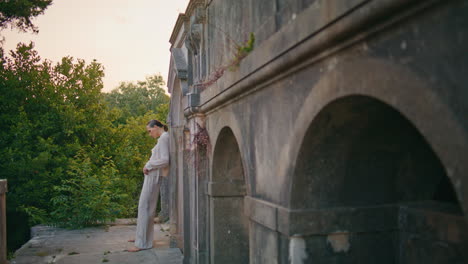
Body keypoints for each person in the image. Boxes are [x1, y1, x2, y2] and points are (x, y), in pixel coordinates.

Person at [127, 119, 170, 252]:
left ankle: (142, 243)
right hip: (152, 175)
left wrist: (149, 165)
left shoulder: (163, 138)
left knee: (145, 207)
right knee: (146, 207)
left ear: (156, 127)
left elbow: (165, 160)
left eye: (150, 131)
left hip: (153, 175)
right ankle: (143, 238)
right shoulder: (164, 138)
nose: (149, 134)